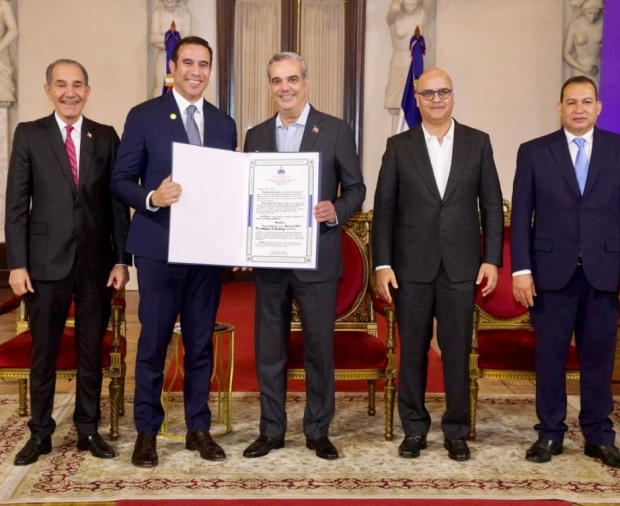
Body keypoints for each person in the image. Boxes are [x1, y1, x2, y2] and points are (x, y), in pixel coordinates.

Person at [111, 36, 237, 468]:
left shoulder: (224, 124)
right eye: (188, 62)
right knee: (154, 344)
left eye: (204, 64)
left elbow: (225, 190)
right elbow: (120, 180)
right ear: (173, 66)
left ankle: (197, 429)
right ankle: (147, 432)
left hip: (207, 253)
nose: (196, 71)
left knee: (199, 345)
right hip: (158, 250)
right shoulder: (144, 115)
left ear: (210, 70)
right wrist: (152, 198)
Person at [512, 75, 620, 470]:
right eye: (571, 102)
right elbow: (520, 217)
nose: (579, 108)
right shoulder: (534, 152)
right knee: (550, 358)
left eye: (586, 101)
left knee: (599, 359)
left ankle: (598, 436)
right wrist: (522, 270)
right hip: (550, 274)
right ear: (559, 108)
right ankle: (550, 433)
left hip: (605, 273)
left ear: (598, 107)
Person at [4, 59, 131, 466]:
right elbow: (16, 204)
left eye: (77, 85)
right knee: (44, 351)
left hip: (96, 266)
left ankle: (88, 428)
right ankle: (40, 432)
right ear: (48, 91)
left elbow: (117, 206)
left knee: (91, 351)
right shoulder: (29, 134)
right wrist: (17, 263)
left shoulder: (106, 136)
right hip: (43, 265)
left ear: (87, 92)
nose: (70, 92)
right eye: (61, 85)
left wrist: (121, 260)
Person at [373, 68, 503, 461]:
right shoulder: (399, 146)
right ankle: (414, 429)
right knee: (412, 351)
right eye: (428, 93)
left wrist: (491, 259)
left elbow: (491, 206)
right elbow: (384, 211)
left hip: (462, 268)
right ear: (417, 99)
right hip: (411, 267)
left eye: (443, 91)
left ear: (452, 95)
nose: (436, 99)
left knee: (456, 351)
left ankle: (457, 431)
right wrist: (382, 264)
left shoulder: (478, 143)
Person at [241, 52, 365, 461]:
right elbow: (248, 197)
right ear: (270, 87)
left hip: (317, 260)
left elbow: (357, 189)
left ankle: (318, 430)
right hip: (270, 260)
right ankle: (271, 430)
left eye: (292, 79)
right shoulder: (256, 135)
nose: (285, 88)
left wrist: (336, 209)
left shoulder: (335, 130)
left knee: (318, 349)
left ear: (305, 83)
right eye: (277, 81)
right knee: (269, 349)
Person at [385, 0, 434, 128]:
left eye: (413, 4)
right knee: (395, 106)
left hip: (417, 64)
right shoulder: (395, 14)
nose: (411, 7)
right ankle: (397, 138)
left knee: (420, 103)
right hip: (398, 62)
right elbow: (394, 9)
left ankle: (418, 138)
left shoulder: (422, 13)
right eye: (407, 4)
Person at [149, 0, 191, 98]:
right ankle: (158, 108)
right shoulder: (157, 14)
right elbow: (153, 39)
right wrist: (173, 40)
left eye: (172, 2)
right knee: (159, 85)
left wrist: (164, 39)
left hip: (179, 59)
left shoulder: (185, 15)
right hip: (163, 56)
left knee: (180, 85)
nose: (169, 5)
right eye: (166, 2)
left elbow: (186, 41)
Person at [563, 0, 603, 87]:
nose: (592, 17)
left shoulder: (603, 24)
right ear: (584, 10)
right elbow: (566, 54)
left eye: (596, 13)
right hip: (579, 70)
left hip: (598, 71)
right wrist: (582, 68)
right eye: (589, 13)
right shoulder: (575, 25)